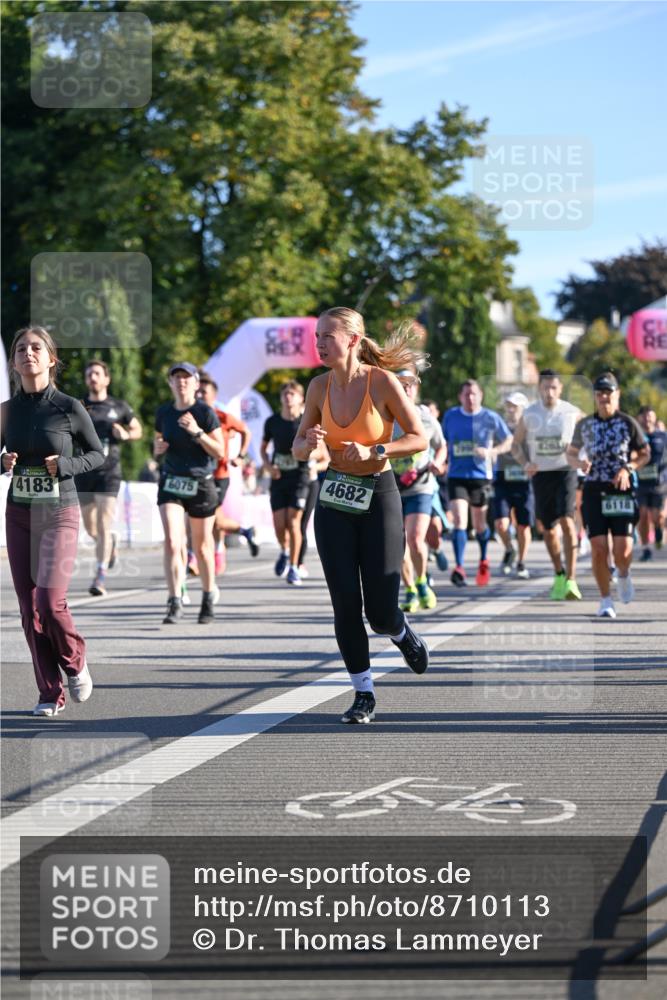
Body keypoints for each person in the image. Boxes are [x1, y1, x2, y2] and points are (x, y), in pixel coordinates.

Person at [293, 307, 429, 725]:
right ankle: (363, 692)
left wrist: (377, 450)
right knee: (345, 605)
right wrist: (310, 440)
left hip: (379, 495)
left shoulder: (382, 382)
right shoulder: (317, 387)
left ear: (352, 340)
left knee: (382, 612)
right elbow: (299, 448)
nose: (319, 343)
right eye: (316, 336)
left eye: (327, 336)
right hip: (334, 499)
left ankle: (401, 633)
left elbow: (418, 438)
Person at [1, 327, 103, 717]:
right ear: (14, 362)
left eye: (36, 347)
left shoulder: (68, 406)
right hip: (20, 514)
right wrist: (2, 462)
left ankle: (75, 660)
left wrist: (67, 465)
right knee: (28, 608)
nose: (29, 353)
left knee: (49, 600)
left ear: (51, 358)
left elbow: (97, 454)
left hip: (59, 511)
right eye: (21, 349)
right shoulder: (7, 410)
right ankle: (48, 692)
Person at [566, 372, 650, 618]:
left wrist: (629, 468)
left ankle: (623, 574)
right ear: (595, 396)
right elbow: (570, 453)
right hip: (593, 489)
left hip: (621, 491)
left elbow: (644, 453)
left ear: (617, 395)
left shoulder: (627, 423)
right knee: (599, 549)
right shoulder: (585, 424)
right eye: (600, 393)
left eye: (608, 393)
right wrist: (579, 464)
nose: (604, 397)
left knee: (622, 551)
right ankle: (605, 600)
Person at [154, 363, 225, 625]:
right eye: (176, 378)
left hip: (200, 483)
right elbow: (157, 447)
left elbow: (220, 452)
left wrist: (197, 432)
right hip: (171, 482)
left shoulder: (205, 412)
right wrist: (157, 449)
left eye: (186, 378)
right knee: (173, 541)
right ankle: (174, 600)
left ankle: (207, 596)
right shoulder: (163, 412)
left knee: (203, 547)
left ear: (196, 384)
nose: (181, 382)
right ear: (170, 383)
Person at [512, 369, 582, 600]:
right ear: (539, 389)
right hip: (541, 474)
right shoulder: (530, 413)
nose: (549, 392)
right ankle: (559, 573)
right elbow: (516, 445)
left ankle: (571, 579)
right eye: (545, 387)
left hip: (565, 471)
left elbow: (589, 433)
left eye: (554, 387)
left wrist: (583, 455)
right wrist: (526, 463)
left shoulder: (571, 412)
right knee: (549, 530)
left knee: (567, 522)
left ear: (560, 389)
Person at [75, 359, 143, 596]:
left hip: (109, 472)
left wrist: (125, 433)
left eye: (96, 373)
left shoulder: (119, 406)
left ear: (106, 379)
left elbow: (138, 430)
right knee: (92, 528)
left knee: (104, 523)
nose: (92, 377)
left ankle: (100, 575)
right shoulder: (78, 406)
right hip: (83, 472)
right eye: (89, 374)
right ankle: (110, 544)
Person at [442, 379, 513, 587]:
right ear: (460, 397)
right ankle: (460, 567)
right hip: (456, 476)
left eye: (474, 394)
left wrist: (492, 452)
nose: (470, 398)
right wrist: (442, 460)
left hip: (481, 476)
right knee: (459, 521)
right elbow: (444, 442)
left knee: (480, 523)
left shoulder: (490, 417)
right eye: (466, 395)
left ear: (480, 396)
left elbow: (508, 440)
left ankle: (483, 560)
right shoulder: (451, 416)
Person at [390, 367, 447, 611]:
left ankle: (422, 580)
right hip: (393, 487)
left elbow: (441, 446)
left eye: (410, 384)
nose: (406, 388)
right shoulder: (385, 416)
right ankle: (410, 589)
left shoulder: (426, 418)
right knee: (398, 545)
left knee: (414, 538)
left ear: (416, 388)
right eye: (401, 384)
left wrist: (438, 461)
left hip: (421, 487)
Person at [195, 371, 259, 574]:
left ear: (214, 396)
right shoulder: (191, 417)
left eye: (204, 392)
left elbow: (246, 431)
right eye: (198, 392)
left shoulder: (222, 416)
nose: (199, 396)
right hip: (195, 475)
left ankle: (200, 558)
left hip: (218, 476)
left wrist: (240, 455)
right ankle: (242, 533)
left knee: (211, 518)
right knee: (209, 519)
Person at [260, 380, 311, 587]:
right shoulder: (272, 422)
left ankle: (294, 567)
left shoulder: (306, 422)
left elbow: (318, 447)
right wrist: (268, 467)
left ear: (301, 399)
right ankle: (284, 550)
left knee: (293, 522)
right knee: (279, 524)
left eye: (293, 394)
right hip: (279, 477)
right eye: (285, 394)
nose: (288, 397)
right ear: (281, 398)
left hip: (300, 476)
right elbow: (263, 448)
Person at [493, 392, 533, 579]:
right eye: (508, 406)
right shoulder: (499, 428)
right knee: (501, 524)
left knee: (523, 526)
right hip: (503, 480)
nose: (510, 410)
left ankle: (522, 562)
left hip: (525, 483)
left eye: (515, 406)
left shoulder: (531, 429)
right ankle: (510, 549)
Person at [635, 406, 667, 561]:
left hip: (659, 483)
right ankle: (646, 548)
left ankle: (659, 531)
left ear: (654, 418)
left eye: (650, 417)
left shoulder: (662, 436)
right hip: (640, 483)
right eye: (645, 417)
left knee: (657, 516)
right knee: (642, 515)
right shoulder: (636, 436)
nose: (647, 420)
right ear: (640, 418)